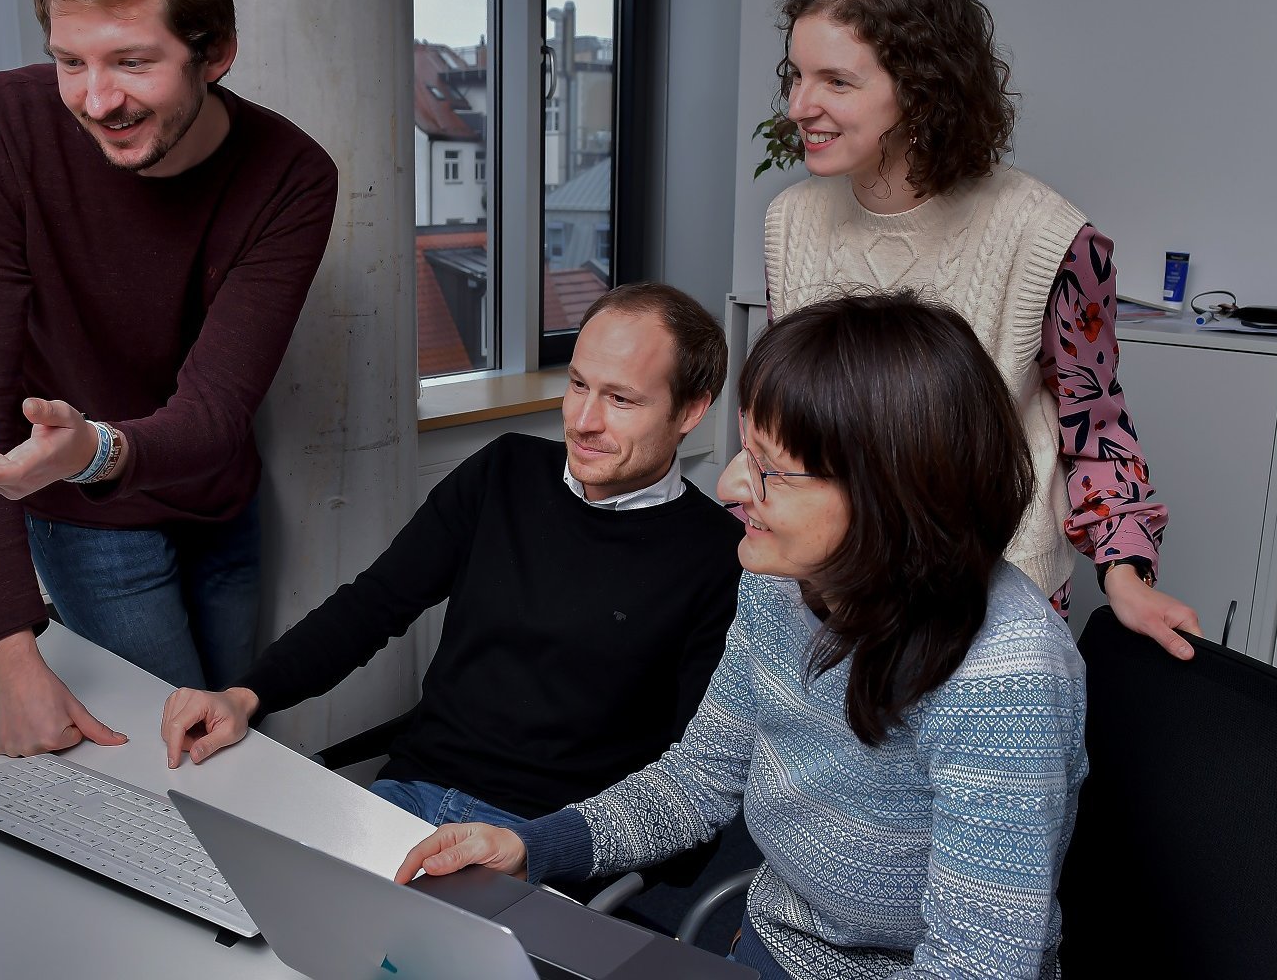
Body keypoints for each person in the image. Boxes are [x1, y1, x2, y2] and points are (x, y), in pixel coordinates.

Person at [400, 292, 1089, 980]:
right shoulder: (779, 582)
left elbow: (978, 967)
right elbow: (697, 781)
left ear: (892, 493)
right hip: (764, 951)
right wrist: (530, 847)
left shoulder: (1007, 678)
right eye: (743, 451)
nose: (731, 485)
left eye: (769, 468)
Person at [0, 0, 339, 757]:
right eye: (70, 61)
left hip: (216, 500)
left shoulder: (291, 176)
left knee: (236, 746)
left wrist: (96, 449)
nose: (96, 99)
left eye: (132, 62)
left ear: (214, 53)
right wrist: (11, 657)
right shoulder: (1, 128)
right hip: (83, 520)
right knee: (167, 767)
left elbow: (214, 411)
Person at [159, 284, 744, 833]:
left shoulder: (717, 555)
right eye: (577, 385)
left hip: (543, 838)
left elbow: (692, 774)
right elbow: (374, 603)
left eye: (620, 399)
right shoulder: (506, 470)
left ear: (692, 411)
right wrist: (245, 693)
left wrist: (554, 852)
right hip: (413, 792)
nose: (583, 421)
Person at [757, 0, 1200, 657]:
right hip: (829, 586)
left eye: (835, 81)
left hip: (988, 597)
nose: (799, 107)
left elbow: (1096, 428)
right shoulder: (791, 221)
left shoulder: (1051, 238)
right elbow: (789, 416)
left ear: (921, 88)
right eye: (797, 75)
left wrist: (1126, 574)